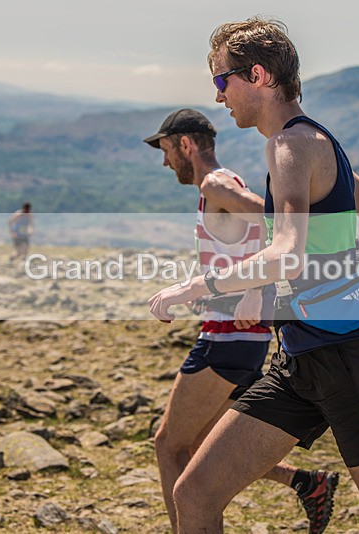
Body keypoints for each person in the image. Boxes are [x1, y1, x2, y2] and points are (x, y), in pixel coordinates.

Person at [148, 18, 359, 533]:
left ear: (257, 75)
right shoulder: (319, 143)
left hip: (348, 365)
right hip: (300, 360)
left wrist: (195, 288)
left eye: (221, 80)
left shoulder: (289, 146)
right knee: (194, 493)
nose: (218, 97)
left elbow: (287, 254)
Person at [143, 109, 339, 533]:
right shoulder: (225, 183)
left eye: (166, 150)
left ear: (185, 145)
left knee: (169, 446)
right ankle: (306, 483)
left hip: (227, 337)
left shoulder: (215, 185)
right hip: (241, 336)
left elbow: (275, 222)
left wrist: (257, 289)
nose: (165, 162)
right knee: (203, 446)